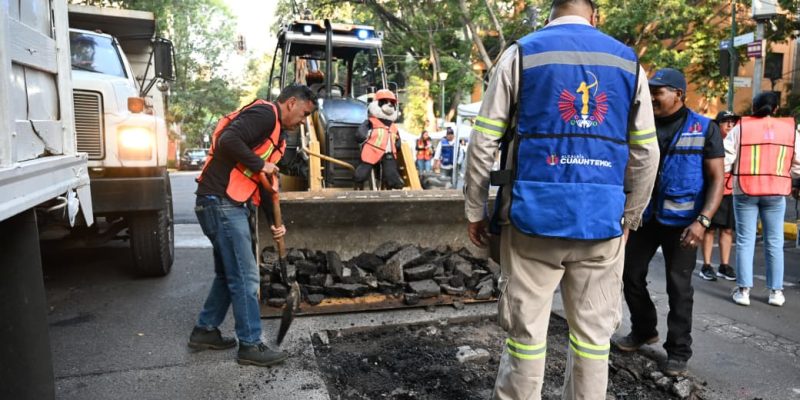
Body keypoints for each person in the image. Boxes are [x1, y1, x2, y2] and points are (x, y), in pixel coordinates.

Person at [463, 1, 660, 398]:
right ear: (594, 15)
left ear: (553, 12)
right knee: (592, 339)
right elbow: (646, 153)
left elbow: (483, 141)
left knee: (526, 334)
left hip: (530, 218)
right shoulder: (627, 63)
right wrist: (630, 217)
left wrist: (475, 209)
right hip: (601, 222)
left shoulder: (521, 54)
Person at [190, 84, 317, 367]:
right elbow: (227, 140)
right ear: (291, 103)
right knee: (246, 277)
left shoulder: (279, 138)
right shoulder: (264, 114)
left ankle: (205, 331)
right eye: (304, 114)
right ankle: (250, 344)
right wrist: (261, 164)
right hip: (220, 201)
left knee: (227, 274)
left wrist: (275, 224)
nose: (304, 121)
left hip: (227, 203)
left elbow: (265, 186)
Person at [616, 68, 724, 377]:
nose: (651, 95)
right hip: (646, 215)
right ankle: (644, 328)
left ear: (678, 93)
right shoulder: (641, 126)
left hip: (684, 222)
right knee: (629, 273)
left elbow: (717, 179)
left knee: (679, 287)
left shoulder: (705, 128)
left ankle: (678, 351)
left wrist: (703, 221)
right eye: (649, 89)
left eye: (658, 90)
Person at [724, 92, 800, 307]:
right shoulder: (789, 130)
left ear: (754, 108)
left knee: (745, 241)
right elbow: (798, 164)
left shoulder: (741, 128)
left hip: (745, 192)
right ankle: (776, 292)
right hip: (776, 192)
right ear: (776, 109)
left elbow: (726, 160)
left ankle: (743, 291)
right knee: (775, 242)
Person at [699, 111, 740, 281]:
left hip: (730, 191)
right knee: (709, 229)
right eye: (726, 122)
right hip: (712, 192)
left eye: (732, 122)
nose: (730, 125)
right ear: (718, 125)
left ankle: (724, 265)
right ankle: (706, 265)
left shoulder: (737, 142)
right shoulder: (710, 142)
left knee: (727, 230)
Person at [353, 89, 405, 190]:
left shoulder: (393, 126)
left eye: (392, 103)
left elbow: (397, 138)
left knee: (391, 170)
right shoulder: (371, 122)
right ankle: (358, 181)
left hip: (388, 153)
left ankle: (395, 183)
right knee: (364, 168)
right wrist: (361, 136)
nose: (390, 105)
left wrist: (397, 144)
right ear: (376, 104)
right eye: (385, 102)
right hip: (372, 150)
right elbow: (361, 133)